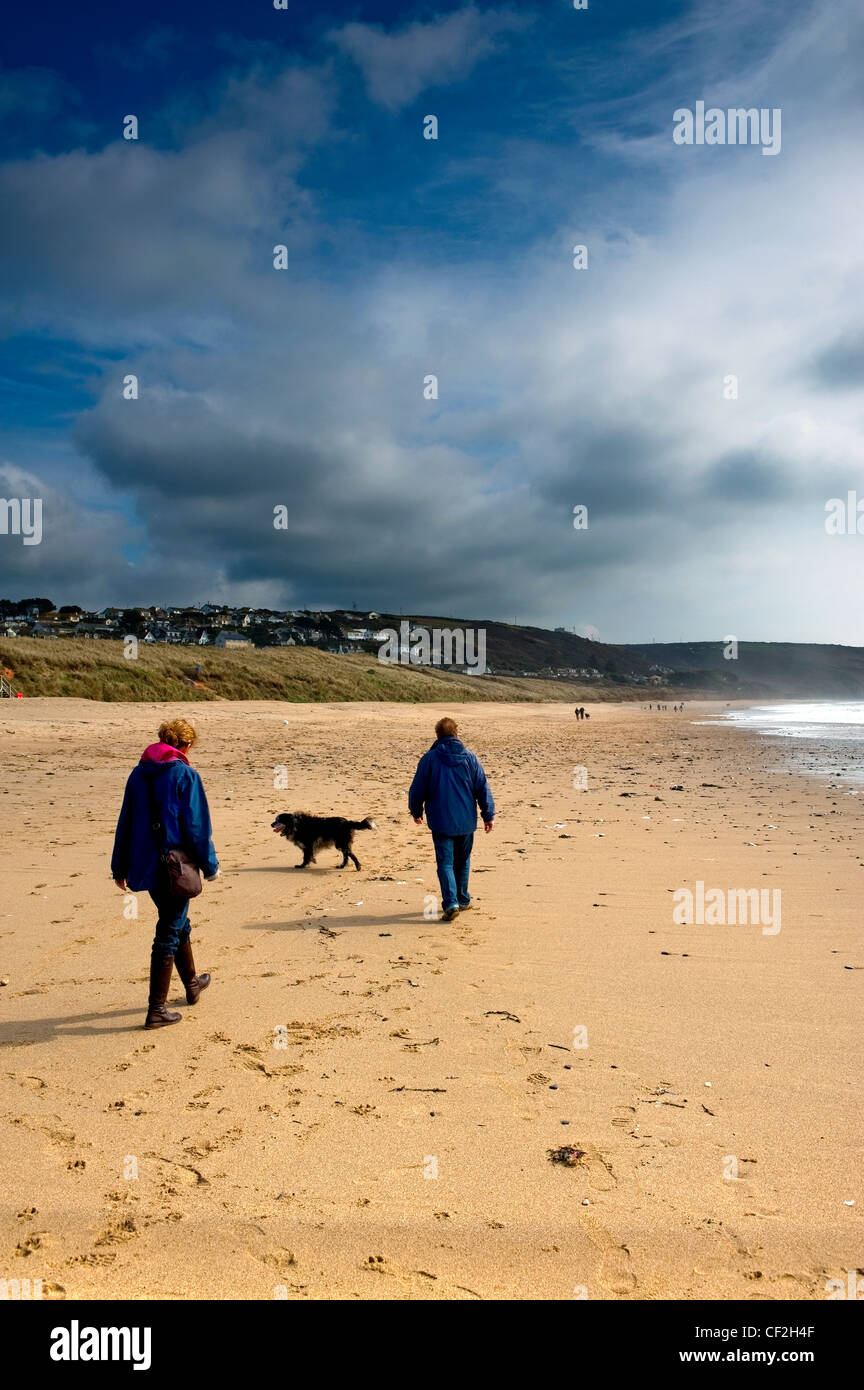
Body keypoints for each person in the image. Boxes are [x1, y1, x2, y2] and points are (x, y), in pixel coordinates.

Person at [111, 718, 219, 1029]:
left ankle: (192, 985)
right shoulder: (185, 774)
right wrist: (210, 866)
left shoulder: (138, 772)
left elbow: (126, 821)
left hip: (144, 864)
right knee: (169, 931)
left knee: (177, 921)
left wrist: (119, 866)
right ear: (184, 746)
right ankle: (156, 1010)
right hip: (174, 867)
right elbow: (197, 828)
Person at [409, 716, 495, 922]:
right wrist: (488, 814)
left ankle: (452, 902)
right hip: (466, 820)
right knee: (462, 860)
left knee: (446, 863)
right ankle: (462, 899)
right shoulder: (470, 758)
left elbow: (417, 788)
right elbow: (482, 788)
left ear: (438, 735)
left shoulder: (429, 759)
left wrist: (416, 810)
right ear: (456, 734)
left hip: (440, 820)